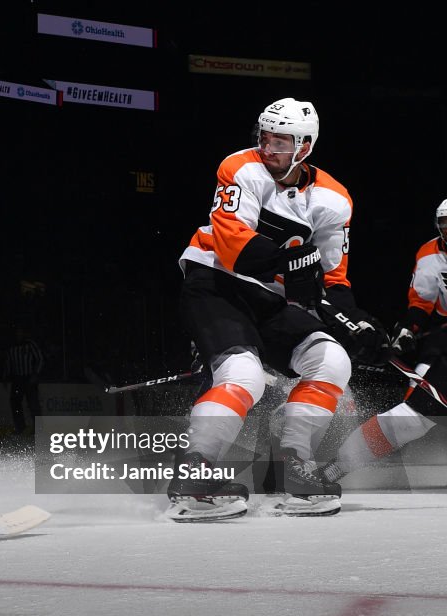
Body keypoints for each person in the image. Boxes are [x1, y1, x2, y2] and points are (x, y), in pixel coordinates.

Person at [170, 97, 387, 521]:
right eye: (264, 138)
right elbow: (233, 247)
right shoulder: (239, 167)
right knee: (244, 375)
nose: (269, 148)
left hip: (268, 297)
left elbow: (331, 278)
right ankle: (194, 475)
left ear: (305, 147)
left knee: (332, 359)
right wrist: (291, 263)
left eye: (281, 142)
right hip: (216, 282)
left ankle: (296, 469)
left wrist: (356, 322)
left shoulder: (335, 200)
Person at [320, 199, 447, 483]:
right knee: (416, 412)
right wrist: (408, 329)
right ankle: (335, 468)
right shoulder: (430, 255)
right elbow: (422, 302)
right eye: (446, 224)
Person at [4, 326, 44, 435]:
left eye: (20, 332)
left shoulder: (30, 344)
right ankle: (20, 427)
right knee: (15, 403)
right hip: (17, 379)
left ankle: (38, 429)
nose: (19, 334)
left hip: (29, 378)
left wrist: (35, 374)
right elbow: (8, 363)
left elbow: (40, 359)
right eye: (17, 332)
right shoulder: (11, 347)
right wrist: (6, 376)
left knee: (33, 404)